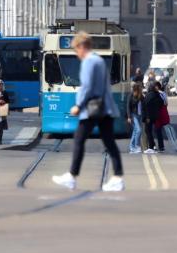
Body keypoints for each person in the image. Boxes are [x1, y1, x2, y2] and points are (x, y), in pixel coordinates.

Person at [51, 32, 126, 192]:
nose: (76, 54)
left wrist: (78, 105)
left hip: (94, 108)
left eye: (75, 50)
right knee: (109, 142)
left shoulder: (88, 62)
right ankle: (118, 178)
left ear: (81, 46)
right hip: (105, 107)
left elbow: (86, 86)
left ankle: (72, 176)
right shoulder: (98, 60)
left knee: (79, 139)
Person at [143, 81, 167, 154]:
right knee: (157, 131)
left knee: (148, 131)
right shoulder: (158, 95)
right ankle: (160, 147)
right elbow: (162, 103)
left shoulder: (149, 95)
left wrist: (146, 116)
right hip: (157, 116)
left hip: (149, 116)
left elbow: (145, 106)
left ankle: (151, 147)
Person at [126, 82, 145, 154]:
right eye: (137, 90)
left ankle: (132, 147)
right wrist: (129, 117)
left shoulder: (141, 96)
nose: (137, 92)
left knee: (135, 131)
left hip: (139, 115)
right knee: (139, 130)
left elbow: (144, 104)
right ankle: (136, 146)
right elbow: (128, 106)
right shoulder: (131, 96)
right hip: (133, 115)